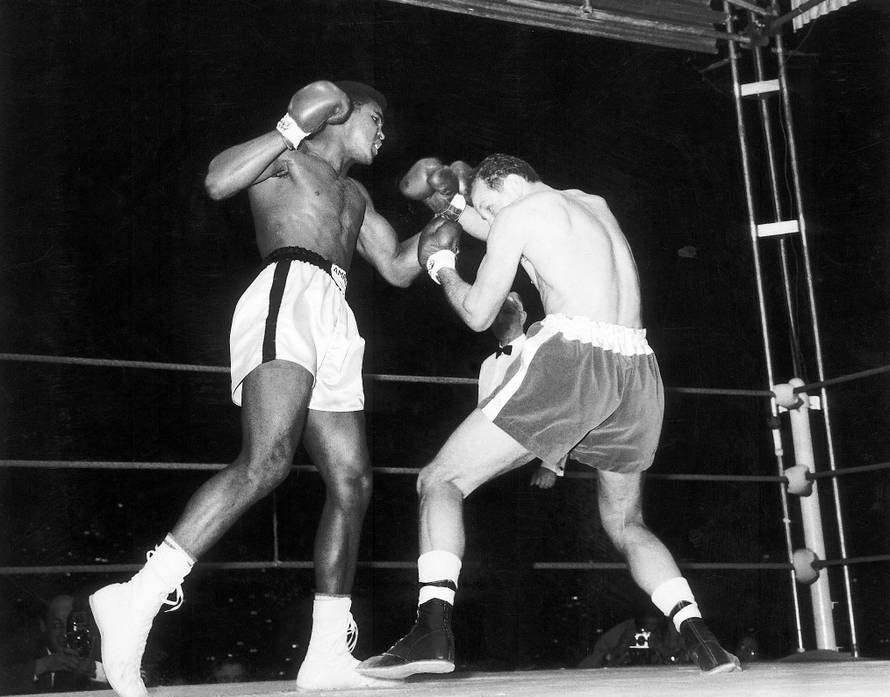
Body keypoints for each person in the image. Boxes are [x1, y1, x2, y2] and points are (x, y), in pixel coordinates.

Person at [89, 80, 457, 697]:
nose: (384, 133)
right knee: (266, 460)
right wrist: (291, 125)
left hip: (336, 313)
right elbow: (217, 181)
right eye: (375, 119)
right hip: (288, 289)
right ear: (337, 112)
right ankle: (136, 598)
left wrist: (452, 214)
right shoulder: (288, 157)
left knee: (352, 482)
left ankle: (325, 653)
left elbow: (396, 266)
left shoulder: (357, 193)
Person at [358, 153, 742, 679]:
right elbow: (507, 229)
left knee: (439, 480)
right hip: (636, 368)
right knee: (626, 522)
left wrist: (441, 267)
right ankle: (703, 641)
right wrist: (452, 206)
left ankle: (431, 632)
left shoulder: (516, 214)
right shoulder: (590, 203)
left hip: (573, 362)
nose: (487, 219)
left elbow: (478, 314)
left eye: (487, 206)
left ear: (507, 184)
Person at [477, 291, 565, 489]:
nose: (500, 320)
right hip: (489, 461)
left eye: (507, 312)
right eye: (495, 314)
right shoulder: (487, 364)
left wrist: (549, 466)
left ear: (523, 317)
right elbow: (481, 412)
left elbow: (561, 410)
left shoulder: (538, 354)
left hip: (528, 460)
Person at [0, 594, 109, 694]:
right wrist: (44, 665)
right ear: (43, 626)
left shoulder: (99, 650)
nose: (65, 634)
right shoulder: (21, 652)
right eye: (57, 625)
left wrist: (94, 670)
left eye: (71, 625)